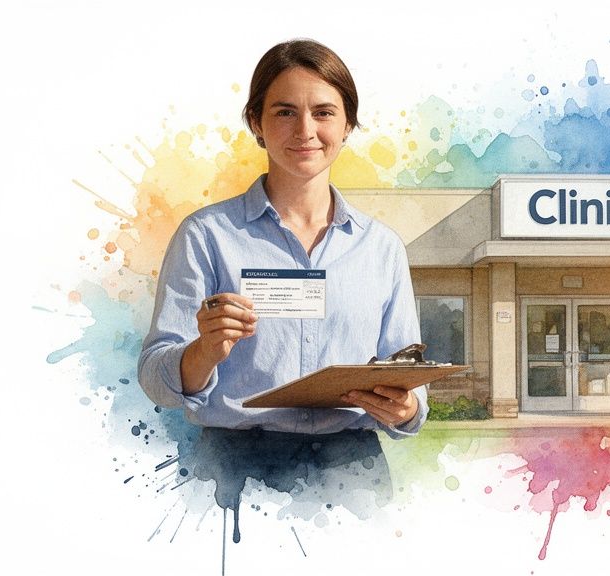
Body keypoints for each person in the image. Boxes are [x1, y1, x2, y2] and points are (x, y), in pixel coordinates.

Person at [137, 39, 427, 522]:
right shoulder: (207, 237)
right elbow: (155, 380)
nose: (306, 130)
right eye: (285, 112)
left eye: (324, 112)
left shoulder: (382, 248)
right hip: (234, 469)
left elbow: (410, 376)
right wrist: (203, 352)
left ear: (348, 125)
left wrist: (405, 409)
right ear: (256, 123)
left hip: (353, 473)